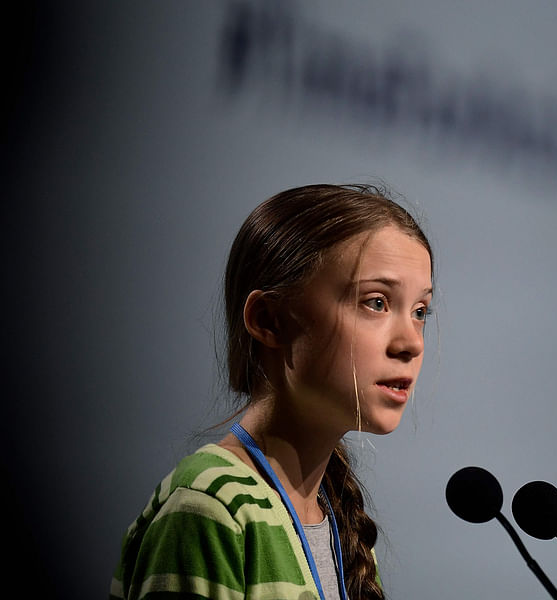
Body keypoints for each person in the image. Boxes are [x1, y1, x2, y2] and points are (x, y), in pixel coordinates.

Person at [109, 184, 434, 600]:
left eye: (420, 311)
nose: (412, 343)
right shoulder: (211, 508)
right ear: (269, 320)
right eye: (375, 302)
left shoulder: (346, 533)